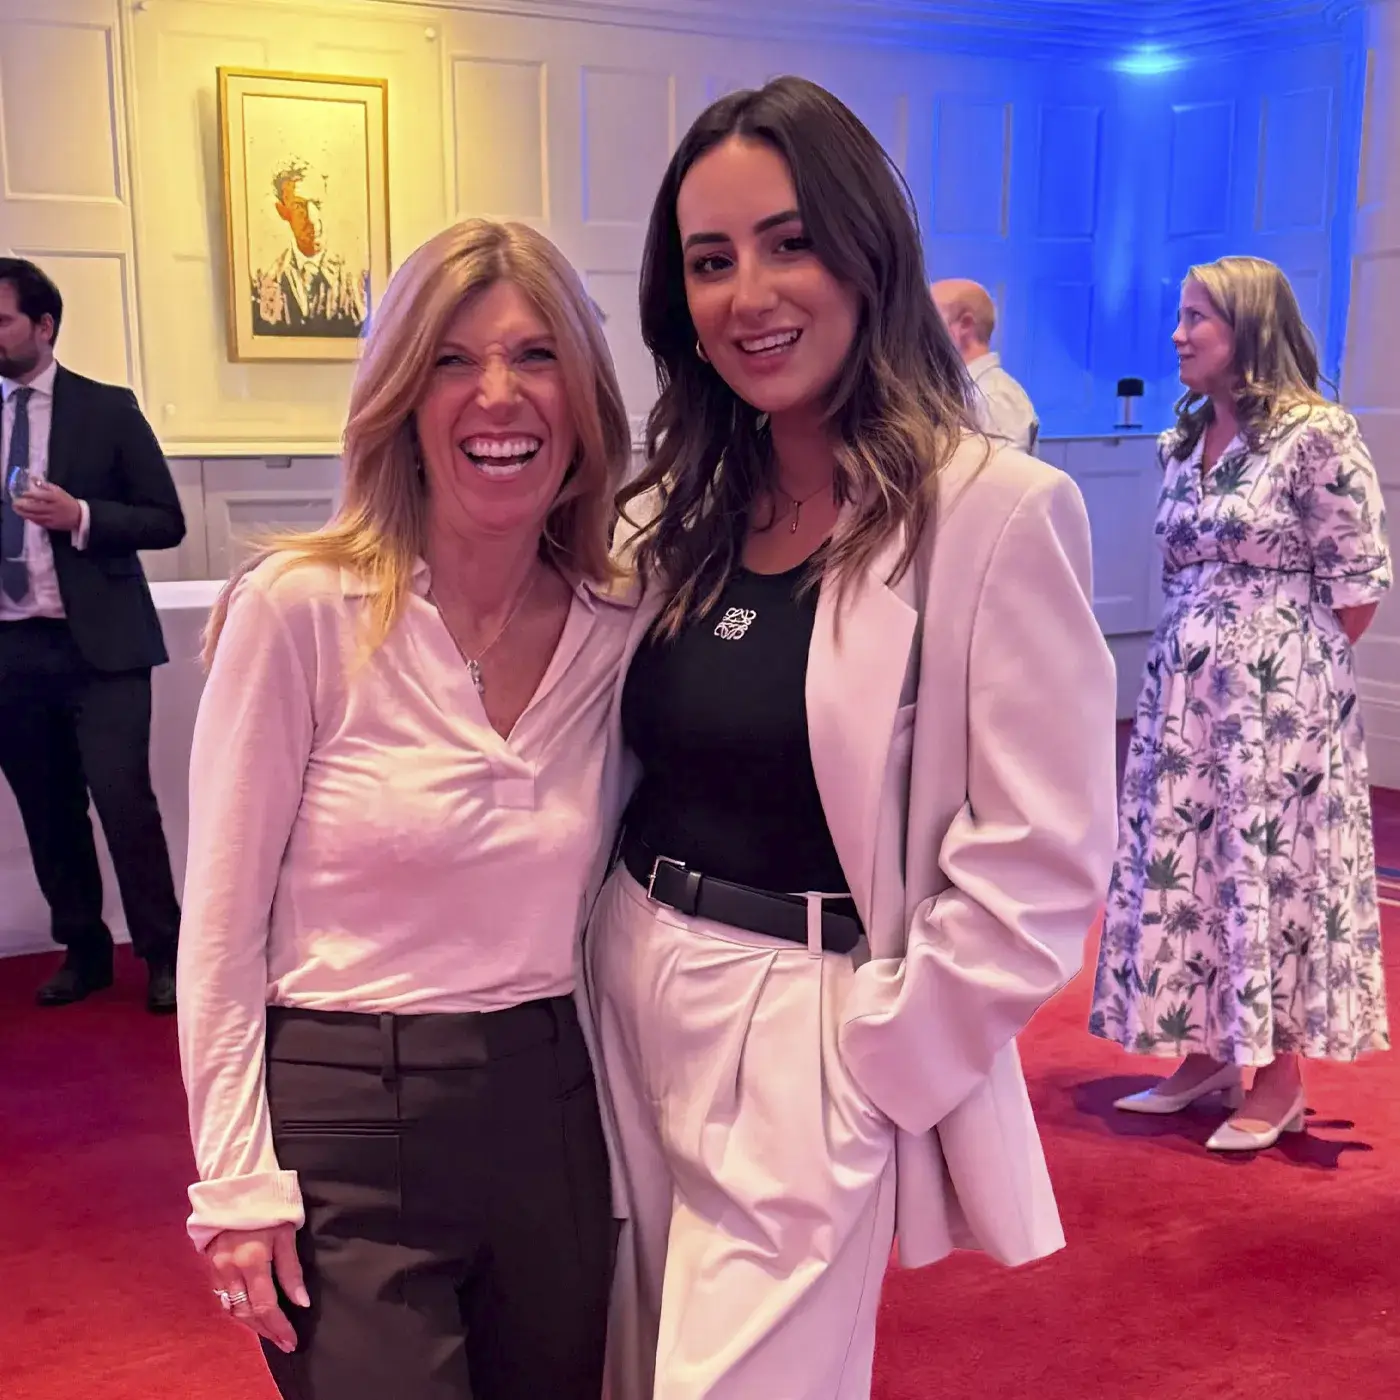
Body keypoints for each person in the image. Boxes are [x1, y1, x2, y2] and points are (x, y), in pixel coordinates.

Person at [588, 77, 1119, 1400]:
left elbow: (1047, 853)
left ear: (867, 249)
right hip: (627, 975)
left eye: (788, 241)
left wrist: (882, 1054)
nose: (749, 292)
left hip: (806, 1017)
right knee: (629, 1355)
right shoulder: (687, 510)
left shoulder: (993, 512)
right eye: (711, 262)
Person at [178, 219, 635, 1399]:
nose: (497, 395)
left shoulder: (620, 624)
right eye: (449, 359)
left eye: (535, 356)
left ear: (583, 396)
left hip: (552, 1104)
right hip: (348, 1116)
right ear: (397, 397)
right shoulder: (301, 609)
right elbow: (218, 932)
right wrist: (235, 1182)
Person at [1090, 255, 1392, 1151]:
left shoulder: (1318, 434)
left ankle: (1282, 1075)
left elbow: (1358, 585)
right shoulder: (1180, 442)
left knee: (1274, 873)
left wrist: (1282, 677)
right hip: (1184, 702)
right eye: (1181, 317)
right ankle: (1206, 1051)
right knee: (1193, 867)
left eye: (1198, 320)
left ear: (1250, 329)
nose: (1178, 336)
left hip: (1278, 706)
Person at [0, 257, 185, 1014]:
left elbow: (166, 519)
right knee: (47, 810)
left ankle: (165, 954)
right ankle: (82, 951)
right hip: (12, 649)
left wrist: (81, 516)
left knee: (122, 801)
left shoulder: (106, 410)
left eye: (2, 319)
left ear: (43, 327)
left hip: (101, 648)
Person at [251, 159, 367, 337]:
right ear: (283, 211)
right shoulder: (266, 280)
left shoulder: (352, 280)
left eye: (317, 205)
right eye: (300, 207)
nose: (314, 221)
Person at [930, 278, 1038, 452]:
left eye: (929, 320)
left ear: (964, 325)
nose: (918, 333)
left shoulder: (994, 396)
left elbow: (1003, 476)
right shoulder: (964, 392)